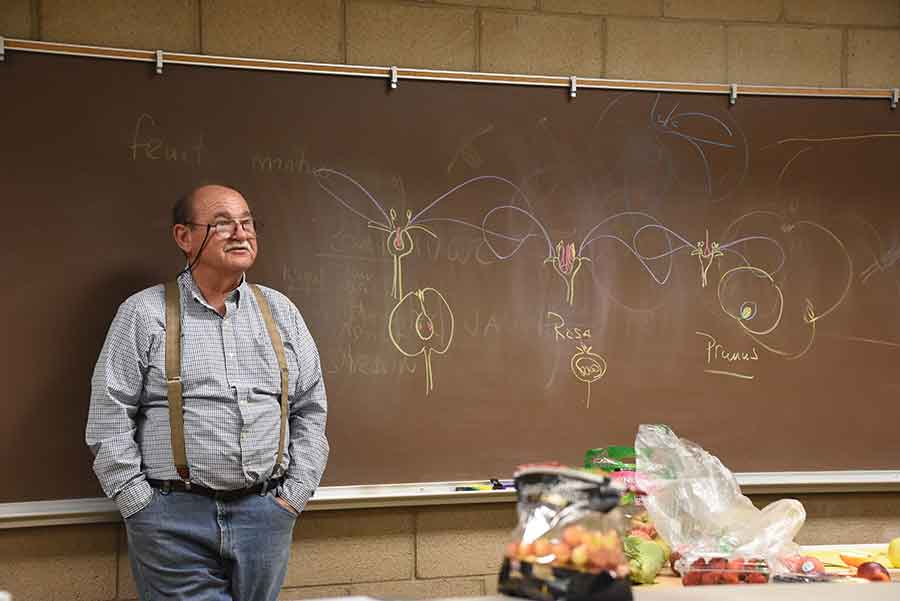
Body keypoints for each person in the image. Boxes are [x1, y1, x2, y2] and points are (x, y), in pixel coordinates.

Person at [86, 184, 329, 601]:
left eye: (247, 222)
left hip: (266, 515)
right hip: (172, 518)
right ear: (184, 237)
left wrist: (292, 498)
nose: (240, 232)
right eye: (222, 223)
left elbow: (310, 408)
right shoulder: (143, 313)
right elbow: (110, 413)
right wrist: (140, 505)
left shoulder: (280, 311)